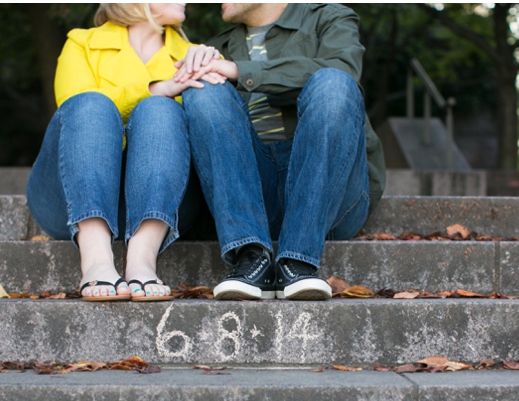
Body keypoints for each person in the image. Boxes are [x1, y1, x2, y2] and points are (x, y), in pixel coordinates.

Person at [174, 3, 385, 300]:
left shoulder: (329, 17)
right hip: (249, 188)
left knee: (334, 81)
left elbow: (344, 69)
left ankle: (298, 260)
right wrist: (194, 65)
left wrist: (240, 71)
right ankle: (251, 255)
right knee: (203, 88)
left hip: (328, 191)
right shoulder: (217, 47)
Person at [26, 3, 224, 301]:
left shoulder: (196, 56)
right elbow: (75, 117)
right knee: (91, 104)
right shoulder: (82, 43)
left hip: (168, 201)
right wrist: (157, 87)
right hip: (70, 200)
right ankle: (94, 257)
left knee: (159, 110)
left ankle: (142, 258)